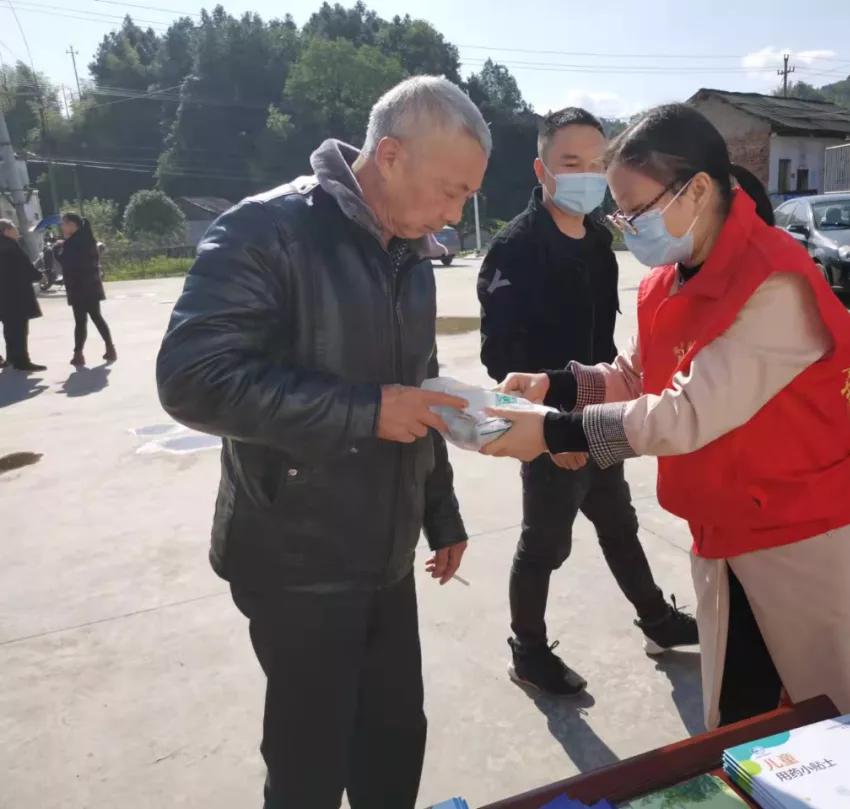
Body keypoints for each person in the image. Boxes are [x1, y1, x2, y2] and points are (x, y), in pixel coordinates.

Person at [480, 104, 850, 787]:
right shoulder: (669, 279)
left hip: (811, 534)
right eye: (620, 213)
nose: (626, 225)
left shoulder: (773, 280)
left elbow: (685, 414)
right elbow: (638, 374)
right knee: (749, 711)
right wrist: (559, 384)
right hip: (729, 534)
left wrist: (553, 431)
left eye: (636, 209)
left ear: (696, 189)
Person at [156, 76, 488, 809]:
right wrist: (363, 411)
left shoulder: (410, 252)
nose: (452, 214)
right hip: (296, 557)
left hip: (386, 549)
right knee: (309, 762)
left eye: (466, 197)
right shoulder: (266, 230)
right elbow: (191, 380)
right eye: (450, 191)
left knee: (394, 740)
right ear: (391, 156)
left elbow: (418, 386)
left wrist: (441, 510)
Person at [477, 107, 697, 697]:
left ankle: (657, 620)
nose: (586, 176)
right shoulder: (516, 249)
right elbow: (502, 362)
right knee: (544, 544)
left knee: (619, 522)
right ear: (542, 170)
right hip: (550, 427)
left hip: (602, 410)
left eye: (597, 165)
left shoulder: (600, 240)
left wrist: (596, 417)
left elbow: (606, 345)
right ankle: (527, 651)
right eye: (570, 163)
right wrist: (554, 432)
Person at [54, 213, 115, 366]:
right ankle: (109, 348)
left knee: (81, 321)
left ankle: (78, 354)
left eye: (64, 224)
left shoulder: (72, 243)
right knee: (96, 317)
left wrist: (56, 250)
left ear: (72, 225)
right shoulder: (87, 239)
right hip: (91, 286)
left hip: (79, 287)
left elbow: (66, 263)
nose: (62, 227)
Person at [0, 219, 46, 372]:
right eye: (14, 227)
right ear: (6, 231)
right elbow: (24, 266)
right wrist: (40, 276)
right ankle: (22, 362)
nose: (16, 230)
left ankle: (11, 358)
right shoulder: (10, 245)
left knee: (9, 328)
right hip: (16, 293)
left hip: (2, 295)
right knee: (20, 328)